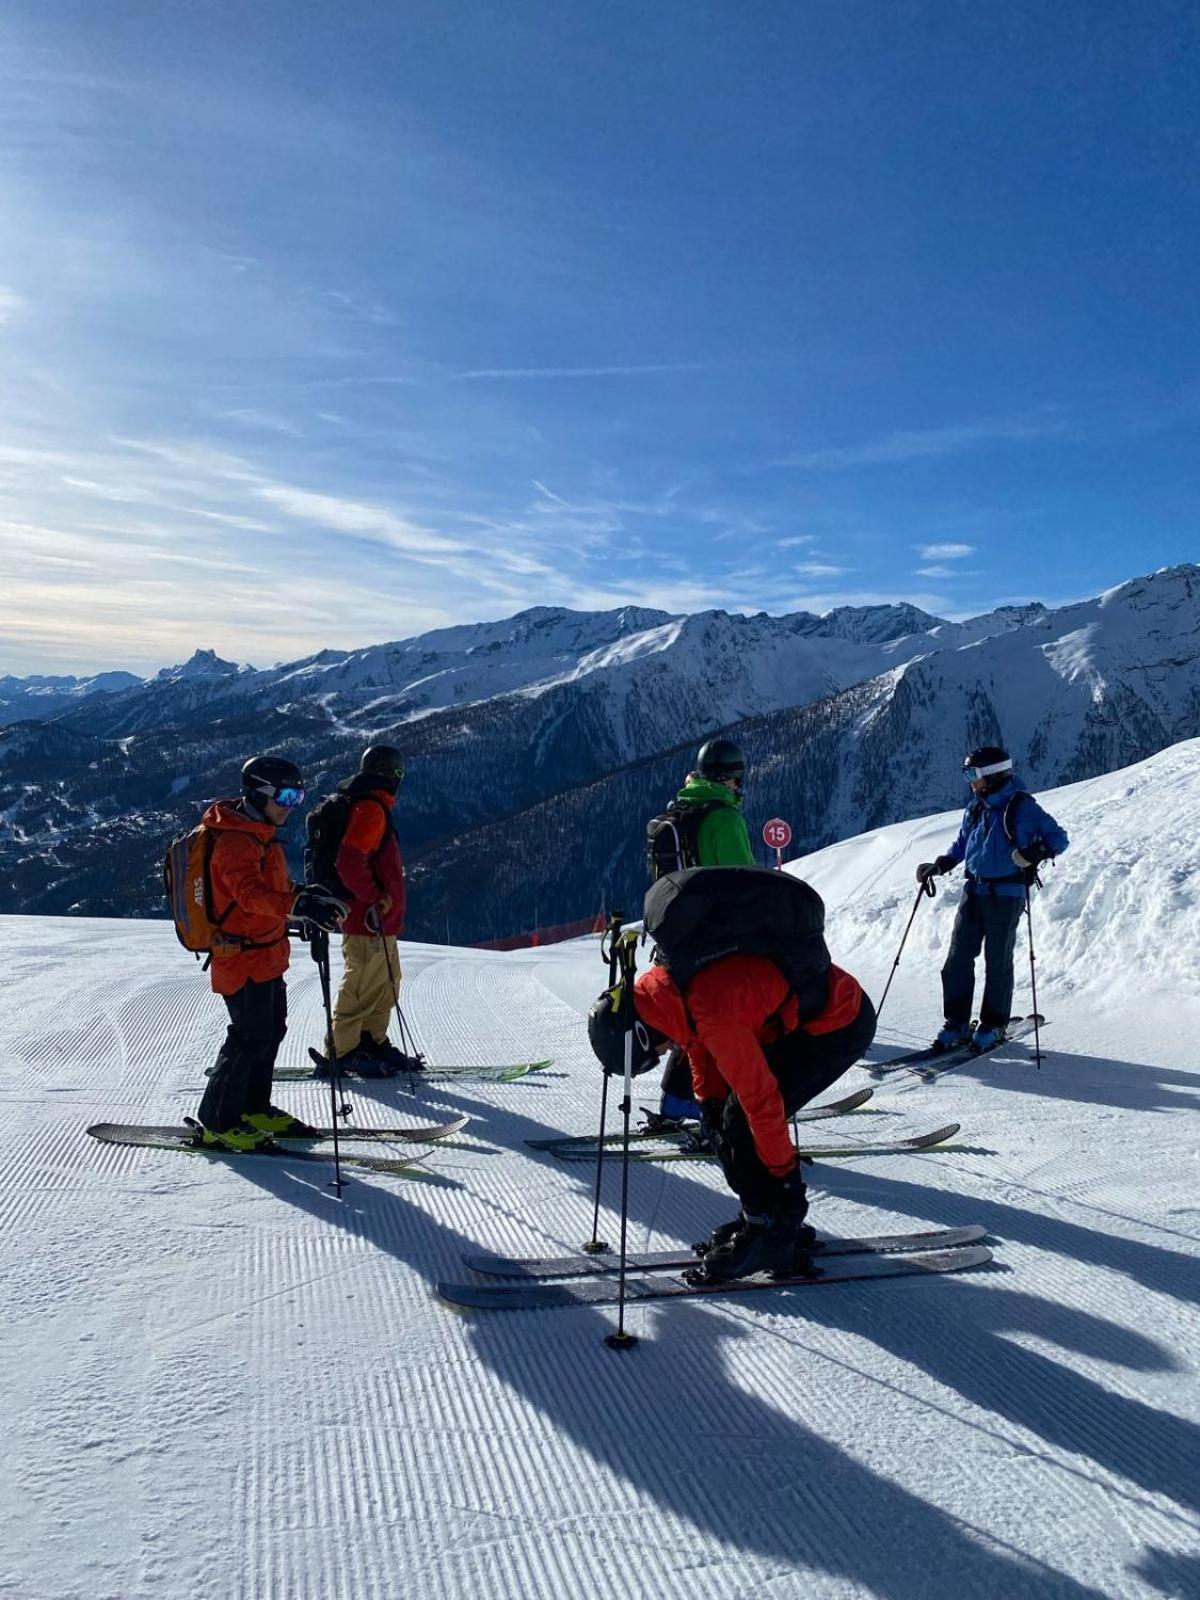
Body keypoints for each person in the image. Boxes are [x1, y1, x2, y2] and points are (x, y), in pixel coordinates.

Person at [589, 946, 877, 1282]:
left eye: (654, 1052)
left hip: (838, 1021)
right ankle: (760, 1219)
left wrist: (787, 1182)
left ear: (641, 1034)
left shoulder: (714, 1014)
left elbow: (762, 1103)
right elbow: (695, 1042)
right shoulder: (663, 994)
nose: (664, 1051)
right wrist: (709, 1103)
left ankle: (774, 1236)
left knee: (741, 1119)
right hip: (791, 1017)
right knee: (725, 1120)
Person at [194, 756, 347, 1151]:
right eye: (285, 796)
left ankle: (252, 1107)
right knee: (247, 1037)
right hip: (240, 959)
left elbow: (273, 885)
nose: (291, 805)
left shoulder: (258, 833)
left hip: (265, 955)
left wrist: (302, 896)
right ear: (259, 793)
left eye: (298, 796)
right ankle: (217, 1121)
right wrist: (296, 907)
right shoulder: (233, 840)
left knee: (270, 1032)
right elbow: (248, 894)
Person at [916, 745, 1069, 1052]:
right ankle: (956, 1023)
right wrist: (941, 864)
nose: (969, 780)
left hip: (1006, 894)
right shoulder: (976, 807)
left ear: (992, 774)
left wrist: (1034, 853)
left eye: (973, 774)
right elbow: (962, 844)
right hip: (974, 891)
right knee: (957, 960)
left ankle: (993, 1024)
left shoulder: (1023, 807)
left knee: (997, 963)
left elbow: (1059, 839)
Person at [648, 737, 756, 1129]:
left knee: (693, 1022)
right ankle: (720, 1101)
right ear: (732, 778)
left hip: (676, 933)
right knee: (725, 1020)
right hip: (714, 936)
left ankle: (677, 1100)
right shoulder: (724, 819)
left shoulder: (682, 809)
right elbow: (743, 881)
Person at [322, 744, 417, 1075]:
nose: (400, 780)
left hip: (381, 920)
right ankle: (343, 1050)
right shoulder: (370, 809)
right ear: (389, 774)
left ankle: (371, 1041)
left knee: (387, 982)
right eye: (399, 773)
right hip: (367, 918)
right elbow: (349, 861)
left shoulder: (374, 806)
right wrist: (375, 896)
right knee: (361, 985)